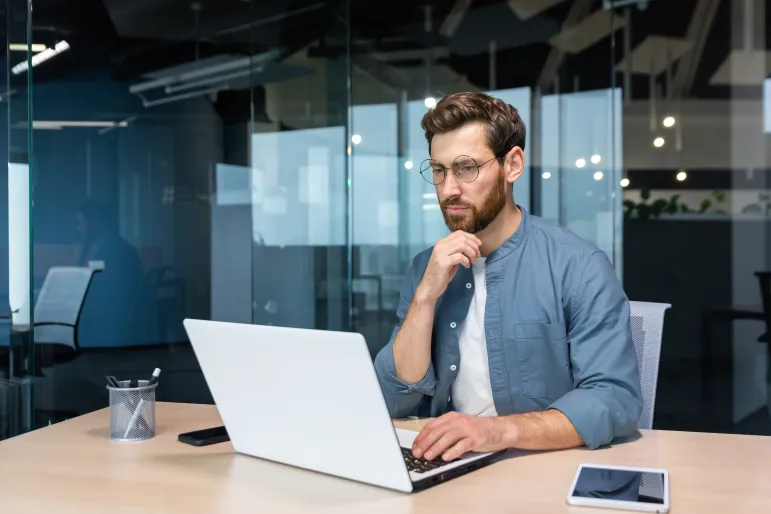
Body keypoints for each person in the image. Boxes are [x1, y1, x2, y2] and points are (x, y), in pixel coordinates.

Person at [373, 92, 642, 462]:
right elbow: (394, 399)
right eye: (438, 170)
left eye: (466, 168)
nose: (449, 189)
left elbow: (614, 399)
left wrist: (495, 431)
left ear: (512, 165)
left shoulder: (578, 266)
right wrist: (424, 298)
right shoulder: (427, 266)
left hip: (539, 466)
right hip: (443, 464)